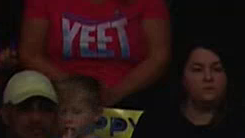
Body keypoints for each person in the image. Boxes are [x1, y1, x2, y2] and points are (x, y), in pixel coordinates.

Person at [19, 0, 170, 108]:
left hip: (130, 97)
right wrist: (76, 89)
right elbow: (30, 54)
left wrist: (116, 93)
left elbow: (158, 57)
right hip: (61, 93)